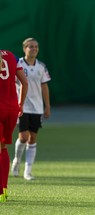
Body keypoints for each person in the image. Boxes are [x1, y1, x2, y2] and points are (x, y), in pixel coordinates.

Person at [11, 38, 51, 181]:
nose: (33, 49)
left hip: (37, 107)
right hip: (22, 106)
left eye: (35, 47)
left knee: (32, 138)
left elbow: (44, 86)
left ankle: (28, 171)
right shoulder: (18, 64)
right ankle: (16, 161)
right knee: (23, 137)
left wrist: (47, 106)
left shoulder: (41, 66)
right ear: (24, 49)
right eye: (30, 47)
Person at [0, 50, 28, 202]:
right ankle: (3, 190)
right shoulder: (11, 56)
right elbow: (24, 82)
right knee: (2, 148)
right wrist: (21, 104)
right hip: (11, 108)